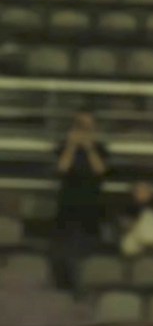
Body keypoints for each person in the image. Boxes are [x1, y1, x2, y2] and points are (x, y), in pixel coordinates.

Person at [51, 111, 109, 289]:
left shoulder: (100, 147)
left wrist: (89, 148)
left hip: (91, 203)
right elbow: (61, 168)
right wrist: (71, 145)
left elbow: (100, 171)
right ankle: (63, 282)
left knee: (88, 246)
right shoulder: (63, 146)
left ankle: (84, 283)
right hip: (67, 202)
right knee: (64, 245)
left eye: (88, 126)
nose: (84, 130)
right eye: (80, 126)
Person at [118, 182, 153, 257]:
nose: (142, 194)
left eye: (145, 191)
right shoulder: (128, 208)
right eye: (139, 191)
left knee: (149, 215)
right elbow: (123, 224)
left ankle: (150, 246)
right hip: (134, 243)